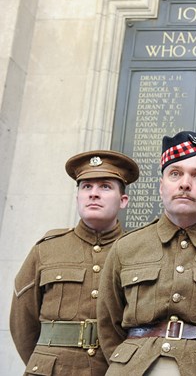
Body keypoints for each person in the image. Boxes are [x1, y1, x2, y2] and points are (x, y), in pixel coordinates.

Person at [97, 131, 196, 375]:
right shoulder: (127, 247)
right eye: (175, 174)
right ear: (161, 187)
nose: (185, 183)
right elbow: (108, 323)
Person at [10, 150, 139, 376]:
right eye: (86, 187)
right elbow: (23, 323)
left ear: (123, 200)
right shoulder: (47, 249)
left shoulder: (138, 251)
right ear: (78, 196)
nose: (93, 194)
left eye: (105, 187)